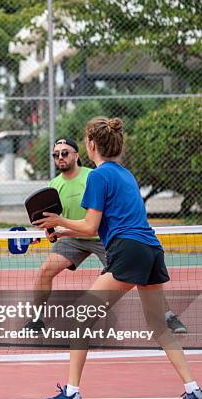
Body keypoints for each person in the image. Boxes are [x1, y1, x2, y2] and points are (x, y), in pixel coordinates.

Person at [36, 117, 202, 399]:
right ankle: (193, 388)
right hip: (151, 250)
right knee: (158, 324)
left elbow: (90, 228)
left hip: (127, 251)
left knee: (80, 317)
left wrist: (58, 220)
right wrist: (63, 230)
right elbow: (102, 224)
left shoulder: (97, 177)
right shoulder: (126, 174)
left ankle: (72, 393)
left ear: (90, 145)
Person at [27, 137, 187, 334]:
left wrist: (61, 225)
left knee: (139, 275)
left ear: (77, 155)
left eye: (65, 152)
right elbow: (55, 218)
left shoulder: (94, 176)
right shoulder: (54, 185)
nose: (60, 157)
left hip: (102, 237)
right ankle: (37, 318)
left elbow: (92, 224)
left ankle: (168, 315)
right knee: (45, 270)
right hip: (74, 238)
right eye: (56, 154)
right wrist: (53, 231)